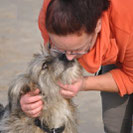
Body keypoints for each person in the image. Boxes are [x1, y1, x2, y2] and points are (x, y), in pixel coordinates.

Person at [20, 0, 133, 132]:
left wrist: (84, 83)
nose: (68, 58)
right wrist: (28, 99)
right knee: (114, 124)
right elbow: (47, 69)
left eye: (77, 50)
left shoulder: (127, 22)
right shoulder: (51, 14)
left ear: (98, 25)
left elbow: (130, 78)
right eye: (61, 49)